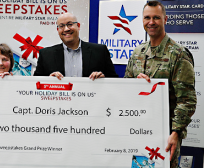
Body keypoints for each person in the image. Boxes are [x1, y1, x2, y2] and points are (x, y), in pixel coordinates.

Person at [124, 1, 197, 167]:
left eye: (156, 17)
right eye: (147, 17)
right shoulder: (137, 53)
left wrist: (175, 132)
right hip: (137, 129)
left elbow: (187, 100)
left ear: (165, 20)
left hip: (165, 134)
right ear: (142, 20)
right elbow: (126, 90)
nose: (151, 22)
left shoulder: (178, 54)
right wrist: (135, 85)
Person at [34, 13, 118, 80]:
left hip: (91, 101)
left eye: (70, 24)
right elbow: (34, 84)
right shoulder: (46, 54)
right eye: (61, 26)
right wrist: (48, 80)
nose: (66, 29)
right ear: (58, 30)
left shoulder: (100, 51)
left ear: (78, 26)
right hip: (59, 101)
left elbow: (115, 82)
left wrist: (104, 79)